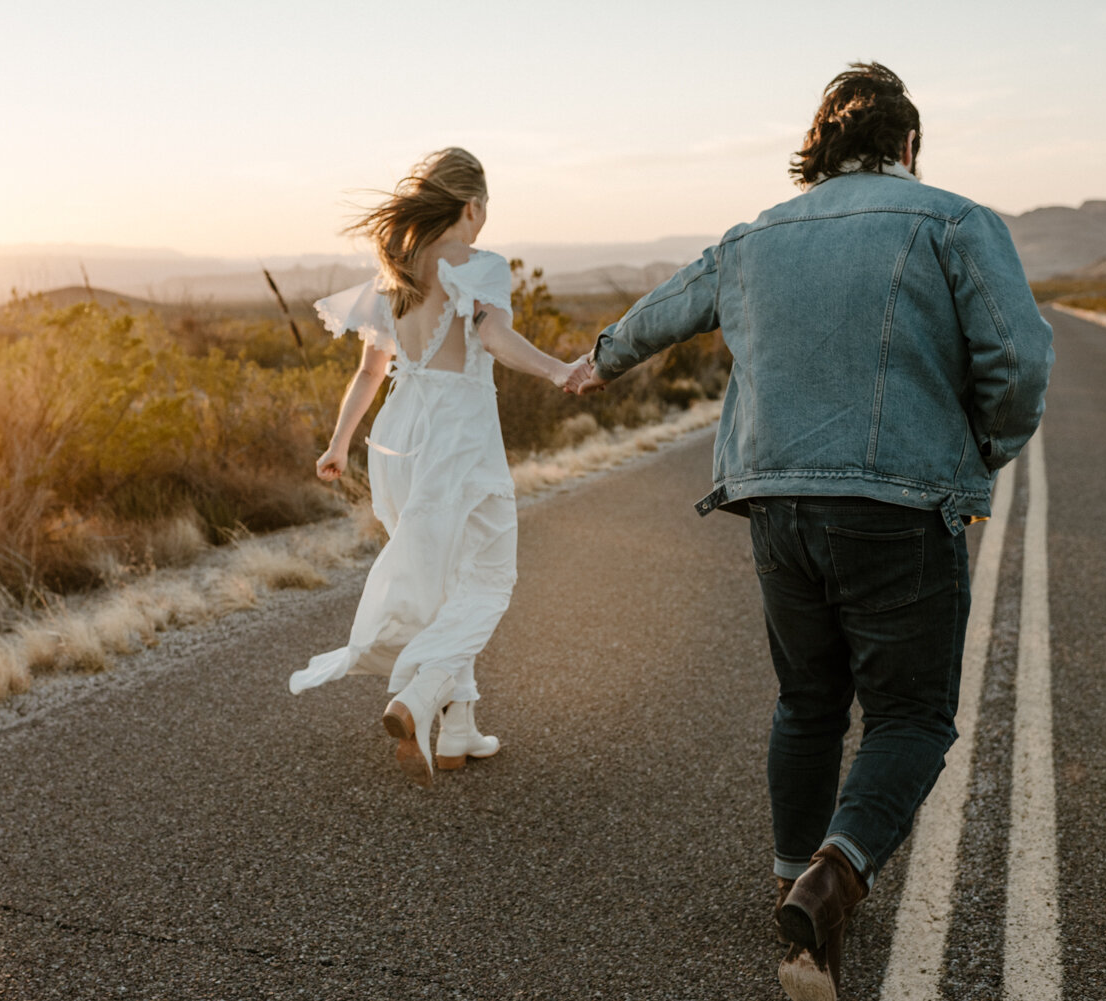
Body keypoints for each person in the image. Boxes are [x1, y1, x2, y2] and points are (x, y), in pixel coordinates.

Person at [565, 63, 1053, 999]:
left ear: (816, 152)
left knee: (808, 701)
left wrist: (596, 360)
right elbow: (1019, 357)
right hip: (898, 506)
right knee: (909, 715)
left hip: (775, 505)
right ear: (909, 145)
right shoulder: (954, 220)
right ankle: (838, 871)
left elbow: (665, 312)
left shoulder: (753, 237)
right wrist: (984, 446)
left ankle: (793, 887)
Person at [289, 148, 573, 786]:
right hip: (458, 440)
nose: (481, 226)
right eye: (483, 214)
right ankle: (416, 700)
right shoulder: (480, 266)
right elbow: (494, 337)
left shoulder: (394, 273)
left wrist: (338, 445)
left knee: (449, 581)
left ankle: (460, 731)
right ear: (471, 206)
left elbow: (370, 372)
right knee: (491, 579)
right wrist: (559, 369)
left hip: (397, 441)